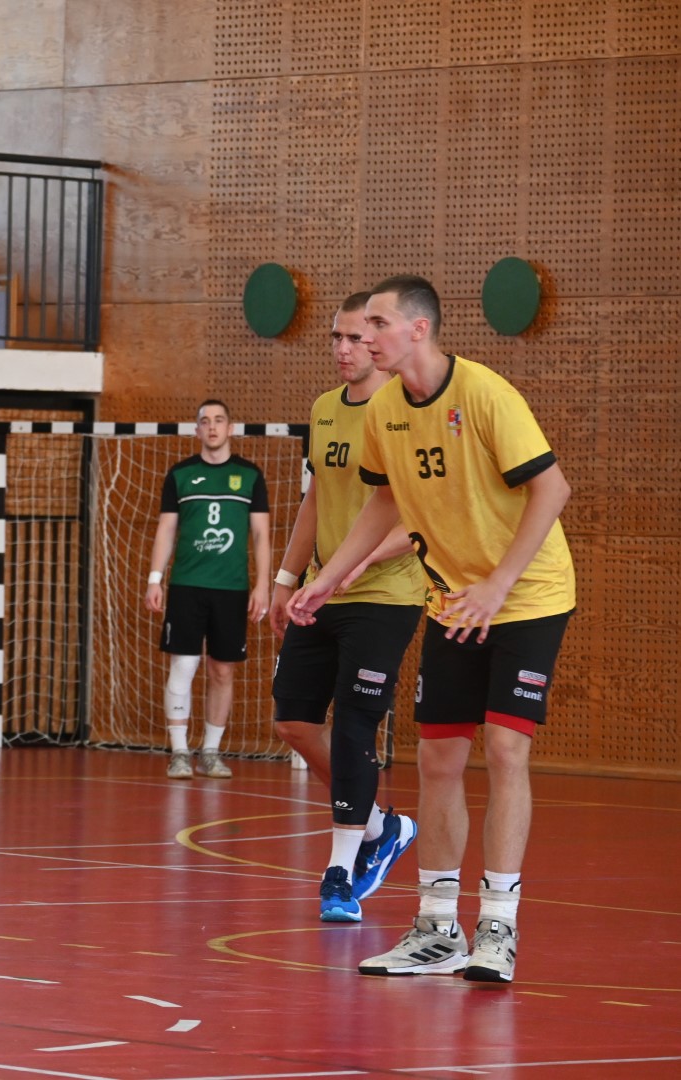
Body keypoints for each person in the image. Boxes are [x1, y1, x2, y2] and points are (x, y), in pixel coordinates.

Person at [289, 274, 574, 983]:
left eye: (377, 325)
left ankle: (498, 927)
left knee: (505, 748)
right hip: (453, 600)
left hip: (526, 595)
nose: (364, 338)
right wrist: (329, 575)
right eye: (359, 328)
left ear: (419, 329)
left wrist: (498, 585)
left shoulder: (485, 394)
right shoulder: (385, 409)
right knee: (439, 759)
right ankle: (437, 928)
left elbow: (552, 489)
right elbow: (384, 502)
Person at [269, 293, 426, 923]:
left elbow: (417, 515)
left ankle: (339, 872)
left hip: (385, 595)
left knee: (358, 725)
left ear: (380, 341)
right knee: (292, 722)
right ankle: (382, 826)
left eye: (355, 337)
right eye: (335, 337)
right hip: (322, 588)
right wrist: (286, 578)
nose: (342, 348)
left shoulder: (405, 413)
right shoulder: (324, 409)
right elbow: (315, 500)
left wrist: (358, 564)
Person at [144, 400, 271, 780]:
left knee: (222, 671)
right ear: (197, 430)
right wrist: (154, 578)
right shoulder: (181, 474)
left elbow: (261, 535)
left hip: (231, 589)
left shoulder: (249, 475)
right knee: (183, 666)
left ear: (230, 428)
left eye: (219, 420)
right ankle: (179, 752)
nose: (212, 427)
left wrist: (263, 585)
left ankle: (211, 752)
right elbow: (167, 529)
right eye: (205, 421)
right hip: (186, 585)